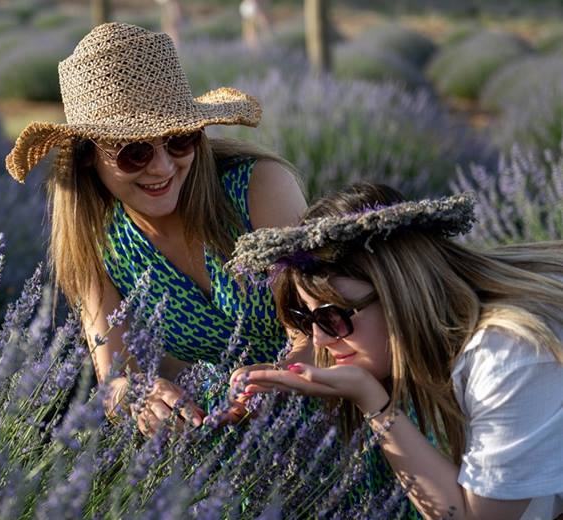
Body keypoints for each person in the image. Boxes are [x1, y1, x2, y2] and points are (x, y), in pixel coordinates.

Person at [4, 22, 308, 436]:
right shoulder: (98, 245)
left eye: (179, 139)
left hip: (327, 420)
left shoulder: (258, 188)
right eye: (134, 152)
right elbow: (115, 378)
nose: (163, 166)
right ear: (88, 156)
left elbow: (319, 328)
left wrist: (280, 378)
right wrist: (138, 395)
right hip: (221, 454)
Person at [228, 183, 563, 519]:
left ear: (398, 293)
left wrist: (374, 404)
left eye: (332, 315)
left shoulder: (506, 356)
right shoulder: (462, 333)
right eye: (307, 317)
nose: (319, 340)